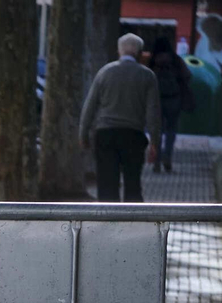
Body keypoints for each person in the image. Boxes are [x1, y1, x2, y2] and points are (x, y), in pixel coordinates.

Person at [79, 32, 162, 202]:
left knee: (107, 184)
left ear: (119, 52)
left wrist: (84, 134)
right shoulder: (147, 76)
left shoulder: (105, 72)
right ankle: (132, 221)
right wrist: (154, 142)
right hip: (133, 135)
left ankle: (107, 222)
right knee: (133, 184)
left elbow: (90, 106)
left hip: (105, 134)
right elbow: (152, 112)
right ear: (139, 53)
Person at [148, 36, 194, 173]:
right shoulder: (175, 60)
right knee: (171, 130)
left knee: (157, 131)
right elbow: (187, 75)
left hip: (157, 100)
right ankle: (167, 157)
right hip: (174, 99)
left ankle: (156, 161)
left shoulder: (152, 61)